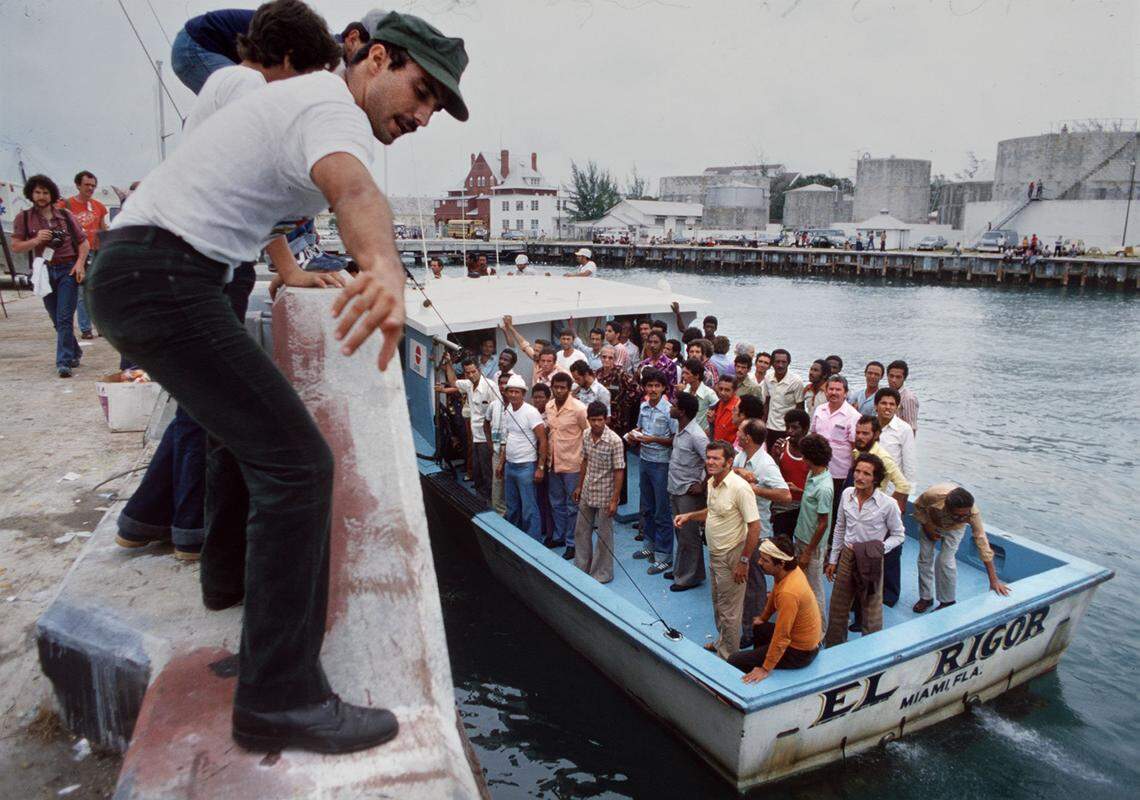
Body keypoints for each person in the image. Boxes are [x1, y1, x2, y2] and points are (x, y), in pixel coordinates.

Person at [88, 8, 470, 753]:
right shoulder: (333, 107)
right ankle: (280, 699)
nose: (423, 116)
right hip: (166, 276)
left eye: (435, 109)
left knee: (247, 436)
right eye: (420, 91)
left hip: (146, 269)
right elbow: (353, 191)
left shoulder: (280, 100)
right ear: (374, 58)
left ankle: (226, 585)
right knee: (299, 467)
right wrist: (383, 268)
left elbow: (241, 183)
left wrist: (290, 267)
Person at [673, 440, 761, 659]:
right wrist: (690, 516)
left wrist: (743, 561)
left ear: (729, 462)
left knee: (730, 611)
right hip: (715, 553)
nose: (710, 462)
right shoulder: (712, 482)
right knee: (718, 603)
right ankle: (723, 642)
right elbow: (712, 512)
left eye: (716, 459)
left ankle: (729, 657)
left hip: (732, 555)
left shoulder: (740, 489)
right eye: (708, 457)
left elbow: (754, 527)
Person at [11, 175, 89, 377]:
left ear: (51, 194)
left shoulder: (65, 215)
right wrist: (36, 240)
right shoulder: (24, 218)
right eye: (37, 192)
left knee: (64, 317)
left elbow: (83, 242)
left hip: (67, 269)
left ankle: (63, 362)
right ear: (31, 194)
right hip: (44, 271)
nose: (41, 196)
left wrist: (80, 263)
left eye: (45, 192)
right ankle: (75, 350)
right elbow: (17, 246)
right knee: (56, 318)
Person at [824, 454, 905, 645]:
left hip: (871, 559)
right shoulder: (847, 495)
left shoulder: (888, 504)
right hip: (847, 554)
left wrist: (879, 549)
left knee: (871, 610)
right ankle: (834, 646)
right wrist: (833, 559)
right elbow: (840, 527)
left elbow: (899, 534)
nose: (859, 477)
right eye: (857, 471)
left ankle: (870, 649)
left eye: (866, 473)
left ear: (875, 479)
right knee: (838, 607)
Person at [728, 536, 822, 682]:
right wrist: (763, 618)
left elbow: (782, 635)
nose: (759, 562)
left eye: (765, 560)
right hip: (801, 641)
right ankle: (758, 660)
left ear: (781, 563)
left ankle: (755, 674)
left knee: (734, 660)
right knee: (759, 627)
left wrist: (765, 668)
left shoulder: (789, 593)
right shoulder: (790, 571)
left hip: (801, 652)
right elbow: (774, 593)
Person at [732, 419, 792, 647]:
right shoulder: (741, 457)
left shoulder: (765, 464)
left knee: (755, 585)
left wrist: (755, 488)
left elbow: (785, 495)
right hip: (740, 527)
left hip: (758, 531)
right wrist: (738, 471)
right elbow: (733, 473)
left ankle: (753, 632)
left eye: (740, 430)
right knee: (743, 582)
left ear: (747, 437)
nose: (737, 432)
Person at [912, 484, 1011, 612]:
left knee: (945, 561)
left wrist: (994, 580)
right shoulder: (932, 495)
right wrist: (928, 527)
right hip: (931, 520)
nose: (962, 518)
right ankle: (926, 597)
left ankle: (947, 602)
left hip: (954, 529)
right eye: (958, 515)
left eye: (965, 515)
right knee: (925, 558)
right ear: (947, 508)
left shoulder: (972, 514)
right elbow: (919, 508)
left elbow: (982, 542)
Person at [627, 370, 677, 572]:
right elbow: (639, 428)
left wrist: (653, 439)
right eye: (649, 386)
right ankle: (650, 545)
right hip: (645, 461)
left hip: (662, 464)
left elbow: (675, 440)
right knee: (647, 506)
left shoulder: (669, 410)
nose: (653, 389)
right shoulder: (643, 407)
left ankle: (665, 555)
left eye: (657, 386)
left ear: (664, 388)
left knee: (662, 510)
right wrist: (633, 435)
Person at [571, 401, 625, 583]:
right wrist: (579, 486)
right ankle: (582, 566)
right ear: (588, 419)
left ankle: (602, 573)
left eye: (599, 420)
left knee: (604, 536)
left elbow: (619, 471)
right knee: (581, 531)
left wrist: (614, 500)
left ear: (606, 419)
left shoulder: (615, 441)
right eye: (592, 420)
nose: (596, 424)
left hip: (605, 493)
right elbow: (584, 461)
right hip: (587, 490)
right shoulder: (585, 435)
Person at [435, 356, 496, 498]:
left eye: (473, 371)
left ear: (479, 370)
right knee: (477, 471)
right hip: (475, 437)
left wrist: (493, 441)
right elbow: (453, 382)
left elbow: (498, 412)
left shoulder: (491, 386)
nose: (471, 375)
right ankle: (480, 498)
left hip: (487, 439)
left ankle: (490, 502)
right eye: (468, 372)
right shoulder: (468, 384)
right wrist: (449, 363)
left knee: (487, 472)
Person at [59, 171, 109, 339]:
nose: (90, 188)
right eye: (87, 185)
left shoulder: (99, 206)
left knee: (97, 291)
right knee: (81, 292)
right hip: (77, 254)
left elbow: (103, 229)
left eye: (93, 185)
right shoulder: (66, 205)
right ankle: (86, 328)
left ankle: (101, 326)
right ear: (78, 185)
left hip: (95, 253)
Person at [666, 392, 708, 591]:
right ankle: (681, 570)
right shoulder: (680, 428)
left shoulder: (697, 435)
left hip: (688, 492)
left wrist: (702, 484)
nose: (671, 406)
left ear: (681, 411)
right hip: (675, 486)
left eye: (674, 404)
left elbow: (712, 463)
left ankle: (689, 577)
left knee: (689, 536)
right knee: (679, 533)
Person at [499, 375, 548, 541]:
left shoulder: (531, 412)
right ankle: (514, 538)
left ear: (523, 394)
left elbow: (543, 440)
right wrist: (501, 463)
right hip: (510, 466)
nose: (513, 395)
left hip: (526, 466)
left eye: (516, 392)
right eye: (510, 391)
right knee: (512, 506)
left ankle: (533, 541)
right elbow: (507, 438)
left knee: (529, 508)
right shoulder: (508, 411)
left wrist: (540, 467)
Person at [545, 373, 588, 559]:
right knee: (556, 503)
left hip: (573, 464)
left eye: (563, 387)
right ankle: (560, 536)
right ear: (552, 387)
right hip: (553, 462)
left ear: (569, 389)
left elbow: (587, 435)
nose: (559, 390)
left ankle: (572, 543)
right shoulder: (549, 406)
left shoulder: (579, 409)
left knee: (573, 506)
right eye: (556, 387)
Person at [809, 375, 860, 529]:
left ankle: (830, 543)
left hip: (839, 474)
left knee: (834, 509)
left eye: (838, 389)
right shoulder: (819, 410)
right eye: (831, 389)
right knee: (814, 505)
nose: (834, 392)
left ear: (845, 393)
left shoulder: (853, 416)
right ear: (826, 391)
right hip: (818, 469)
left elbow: (854, 447)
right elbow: (812, 435)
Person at [792, 433, 833, 620]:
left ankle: (820, 631)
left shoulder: (824, 487)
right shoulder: (813, 475)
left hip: (812, 545)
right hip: (801, 536)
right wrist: (798, 491)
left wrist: (808, 552)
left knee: (815, 588)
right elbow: (812, 502)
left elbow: (823, 523)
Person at [770, 409, 811, 537]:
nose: (789, 431)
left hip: (804, 506)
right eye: (787, 427)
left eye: (794, 428)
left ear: (805, 430)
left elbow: (817, 486)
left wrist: (799, 490)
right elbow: (772, 477)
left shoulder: (812, 453)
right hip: (782, 507)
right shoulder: (780, 448)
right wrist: (775, 457)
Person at [874, 387, 916, 495]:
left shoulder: (904, 429)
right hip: (868, 484)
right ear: (875, 406)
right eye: (883, 403)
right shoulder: (869, 425)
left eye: (892, 404)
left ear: (897, 408)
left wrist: (906, 493)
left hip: (891, 490)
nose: (888, 407)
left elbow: (909, 464)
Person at [761, 348, 805, 451]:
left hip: (787, 430)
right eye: (777, 362)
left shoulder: (796, 381)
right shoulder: (768, 378)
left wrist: (796, 431)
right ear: (772, 363)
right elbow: (767, 402)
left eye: (784, 362)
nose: (780, 365)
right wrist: (763, 424)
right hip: (770, 427)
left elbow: (800, 408)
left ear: (788, 363)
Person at [530, 383, 556, 541]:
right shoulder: (531, 413)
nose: (538, 400)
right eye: (535, 397)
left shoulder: (550, 416)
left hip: (547, 462)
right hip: (532, 458)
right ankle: (540, 527)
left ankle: (550, 531)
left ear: (548, 398)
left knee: (549, 498)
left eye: (541, 397)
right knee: (538, 496)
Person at [487, 370, 511, 515]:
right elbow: (486, 422)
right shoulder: (494, 405)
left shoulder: (518, 405)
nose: (503, 386)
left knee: (510, 486)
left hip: (512, 453)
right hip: (496, 450)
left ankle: (512, 515)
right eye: (501, 383)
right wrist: (489, 443)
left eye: (506, 383)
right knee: (497, 483)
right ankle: (498, 514)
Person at [678, 357, 719, 434]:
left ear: (696, 376)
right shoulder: (685, 391)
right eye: (683, 373)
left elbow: (717, 413)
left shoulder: (709, 393)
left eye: (687, 373)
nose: (683, 376)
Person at [636, 331, 677, 399]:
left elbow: (671, 390)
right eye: (650, 342)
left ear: (663, 344)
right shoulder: (643, 364)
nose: (652, 345)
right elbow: (640, 386)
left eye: (656, 342)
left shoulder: (669, 364)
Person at [886, 359, 919, 434]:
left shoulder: (908, 398)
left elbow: (911, 428)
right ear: (887, 376)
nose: (893, 380)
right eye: (891, 376)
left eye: (898, 377)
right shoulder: (885, 394)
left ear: (904, 378)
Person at [708, 375, 740, 443]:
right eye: (720, 389)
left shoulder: (739, 409)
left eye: (727, 390)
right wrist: (712, 422)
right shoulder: (717, 405)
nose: (722, 393)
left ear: (735, 391)